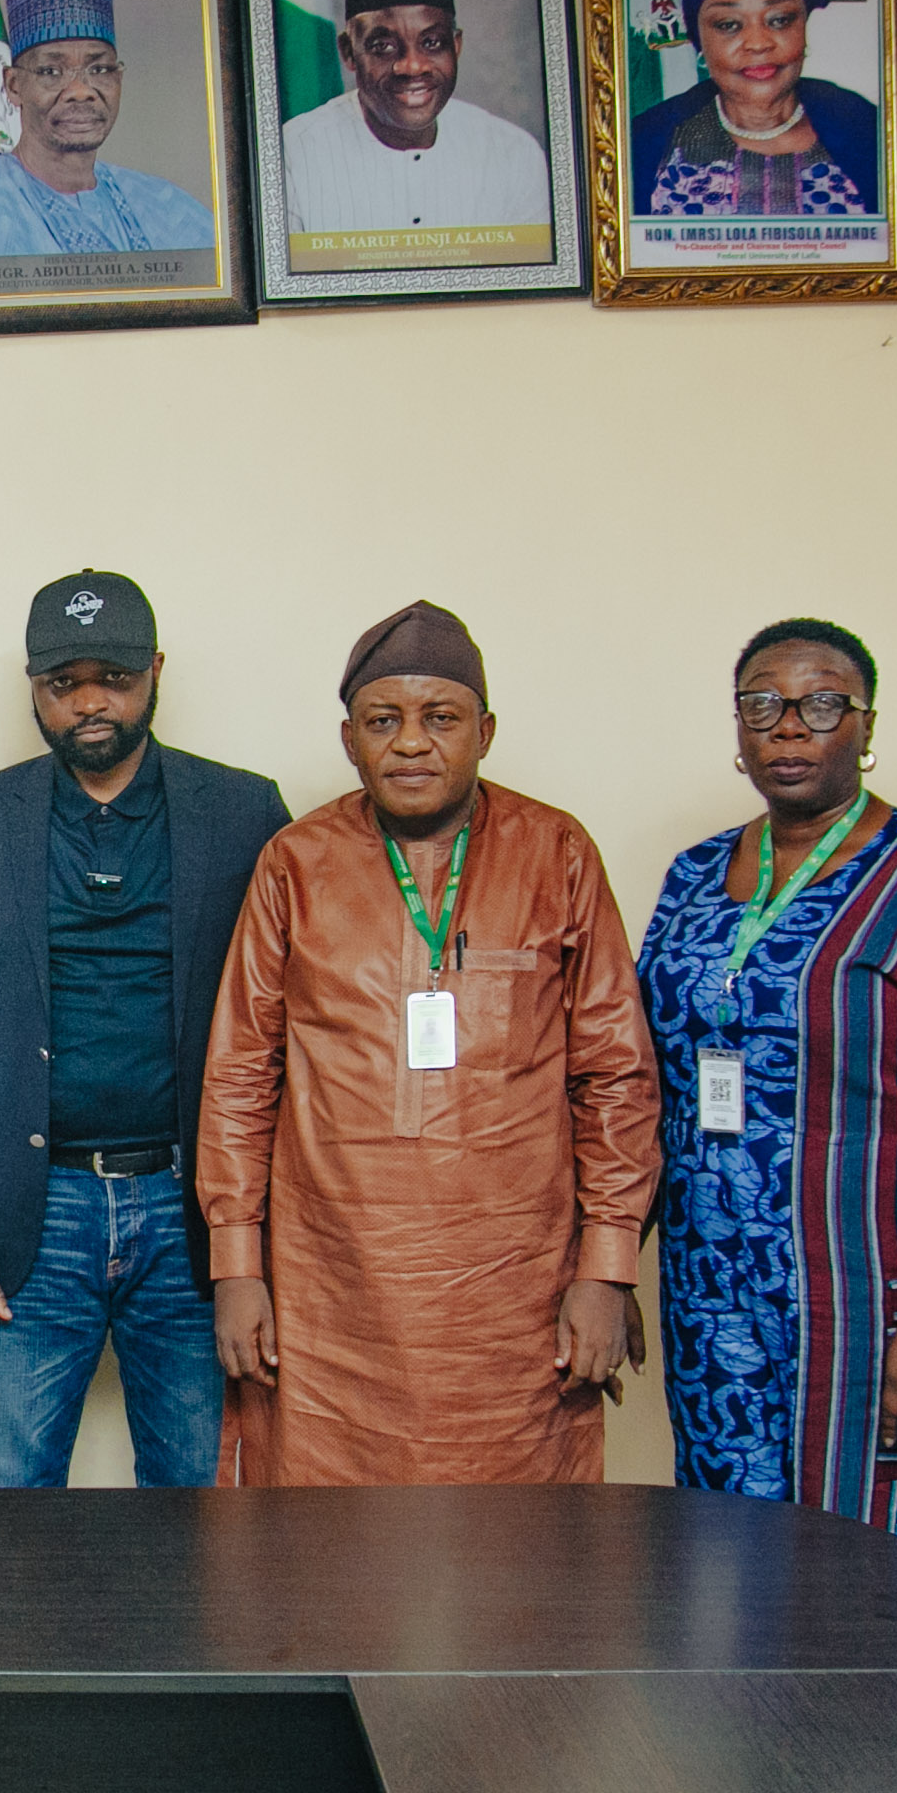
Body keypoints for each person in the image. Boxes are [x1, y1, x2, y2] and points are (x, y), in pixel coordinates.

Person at [197, 602, 659, 1486]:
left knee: (515, 1542)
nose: (411, 743)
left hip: (516, 1295)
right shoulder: (295, 862)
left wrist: (607, 1268)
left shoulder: (557, 852)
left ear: (485, 732)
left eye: (440, 717)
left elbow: (616, 1075)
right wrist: (237, 1266)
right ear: (349, 740)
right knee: (323, 1541)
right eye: (383, 721)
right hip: (327, 1293)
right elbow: (240, 1075)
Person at [639, 620, 897, 1555]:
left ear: (865, 725)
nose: (789, 726)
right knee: (723, 1564)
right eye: (763, 704)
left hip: (870, 1300)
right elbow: (647, 1083)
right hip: (713, 1293)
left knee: (872, 1575)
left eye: (821, 704)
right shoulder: (694, 876)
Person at [0, 572, 289, 1488]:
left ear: (155, 671)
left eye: (114, 678)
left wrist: (260, 1237)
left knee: (201, 1501)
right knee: (10, 1501)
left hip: (192, 1210)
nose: (89, 702)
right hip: (28, 1213)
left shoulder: (244, 812)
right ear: (32, 687)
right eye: (63, 682)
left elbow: (289, 1027)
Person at [0, 0, 218, 258]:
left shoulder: (164, 205)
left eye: (98, 69)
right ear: (13, 86)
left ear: (118, 78)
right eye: (51, 71)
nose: (80, 91)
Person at [276, 0, 550, 234]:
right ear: (348, 52)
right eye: (383, 46)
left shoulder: (513, 155)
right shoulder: (293, 154)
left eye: (431, 43)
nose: (412, 66)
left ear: (456, 46)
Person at [629, 0, 887, 220]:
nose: (758, 43)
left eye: (779, 20)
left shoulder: (869, 130)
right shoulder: (642, 143)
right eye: (729, 24)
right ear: (698, 41)